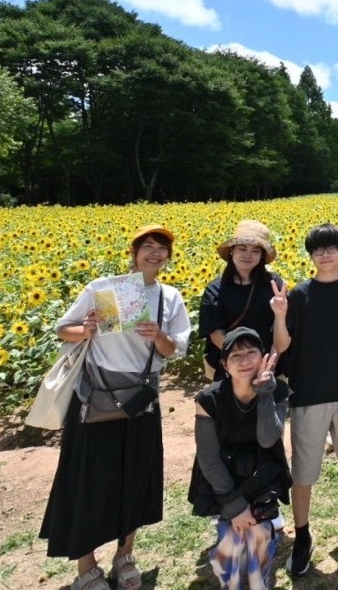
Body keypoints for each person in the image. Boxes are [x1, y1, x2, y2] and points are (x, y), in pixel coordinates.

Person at [40, 225, 192, 590]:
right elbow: (64, 330)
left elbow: (174, 349)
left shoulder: (169, 297)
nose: (154, 255)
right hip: (96, 398)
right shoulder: (103, 288)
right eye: (148, 247)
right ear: (134, 252)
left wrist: (158, 335)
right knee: (88, 481)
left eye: (161, 250)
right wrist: (87, 328)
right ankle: (85, 567)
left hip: (141, 400)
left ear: (168, 258)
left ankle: (125, 555)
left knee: (134, 478)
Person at [271, 224, 338, 577]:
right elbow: (283, 346)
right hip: (309, 394)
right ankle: (302, 537)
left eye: (332, 247)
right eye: (318, 249)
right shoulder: (299, 295)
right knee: (304, 472)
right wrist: (280, 314)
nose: (325, 253)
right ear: (311, 255)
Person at [188, 327, 291, 589]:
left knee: (258, 542)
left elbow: (268, 439)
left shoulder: (277, 390)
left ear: (263, 357)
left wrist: (265, 393)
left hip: (262, 474)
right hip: (223, 476)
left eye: (251, 353)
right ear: (224, 363)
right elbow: (209, 458)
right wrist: (234, 504)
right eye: (235, 355)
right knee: (231, 546)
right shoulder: (209, 399)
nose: (244, 361)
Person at [199, 220, 284, 382]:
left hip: (268, 365)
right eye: (242, 249)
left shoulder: (273, 284)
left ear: (262, 256)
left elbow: (283, 326)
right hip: (229, 365)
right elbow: (216, 334)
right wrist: (244, 363)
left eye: (255, 251)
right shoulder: (216, 288)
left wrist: (269, 363)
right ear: (232, 251)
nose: (248, 255)